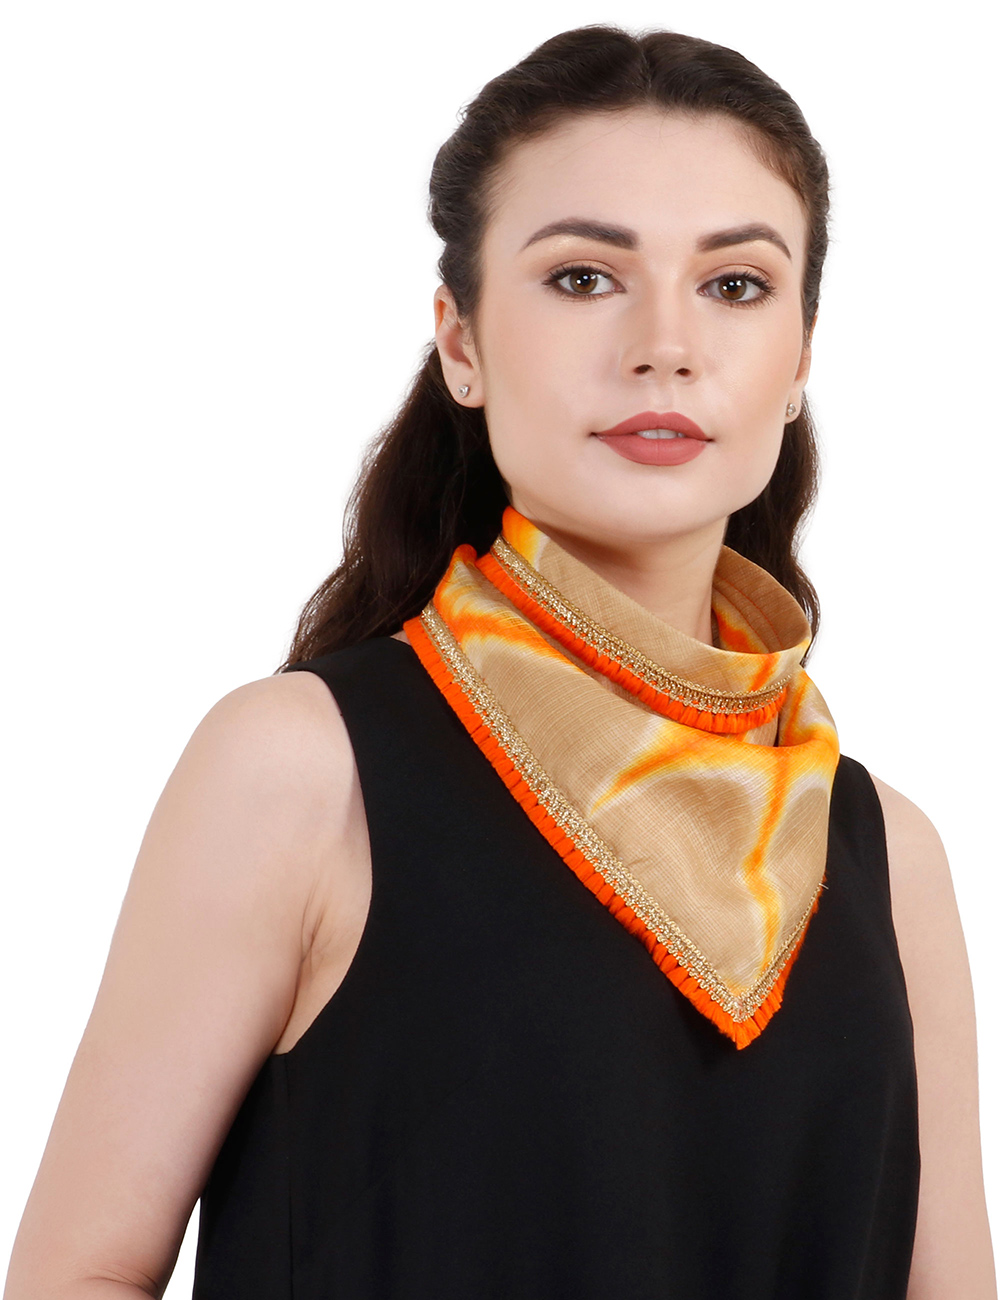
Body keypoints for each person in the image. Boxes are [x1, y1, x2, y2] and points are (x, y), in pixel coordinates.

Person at [4, 23, 995, 1300]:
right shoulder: (302, 771)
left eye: (735, 285)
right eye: (583, 276)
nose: (664, 342)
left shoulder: (888, 856)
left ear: (799, 358)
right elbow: (78, 1275)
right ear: (460, 344)